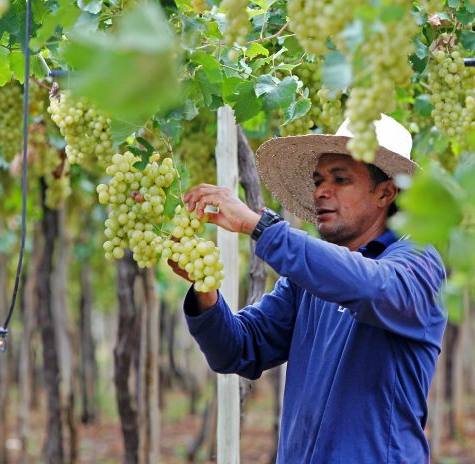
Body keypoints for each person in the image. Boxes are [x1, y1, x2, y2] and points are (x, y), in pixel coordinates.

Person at [172, 114, 448, 463]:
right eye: (318, 180)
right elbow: (239, 348)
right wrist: (204, 289)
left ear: (385, 193)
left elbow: (371, 288)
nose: (320, 191)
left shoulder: (419, 264)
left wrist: (262, 227)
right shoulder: (307, 282)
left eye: (340, 179)